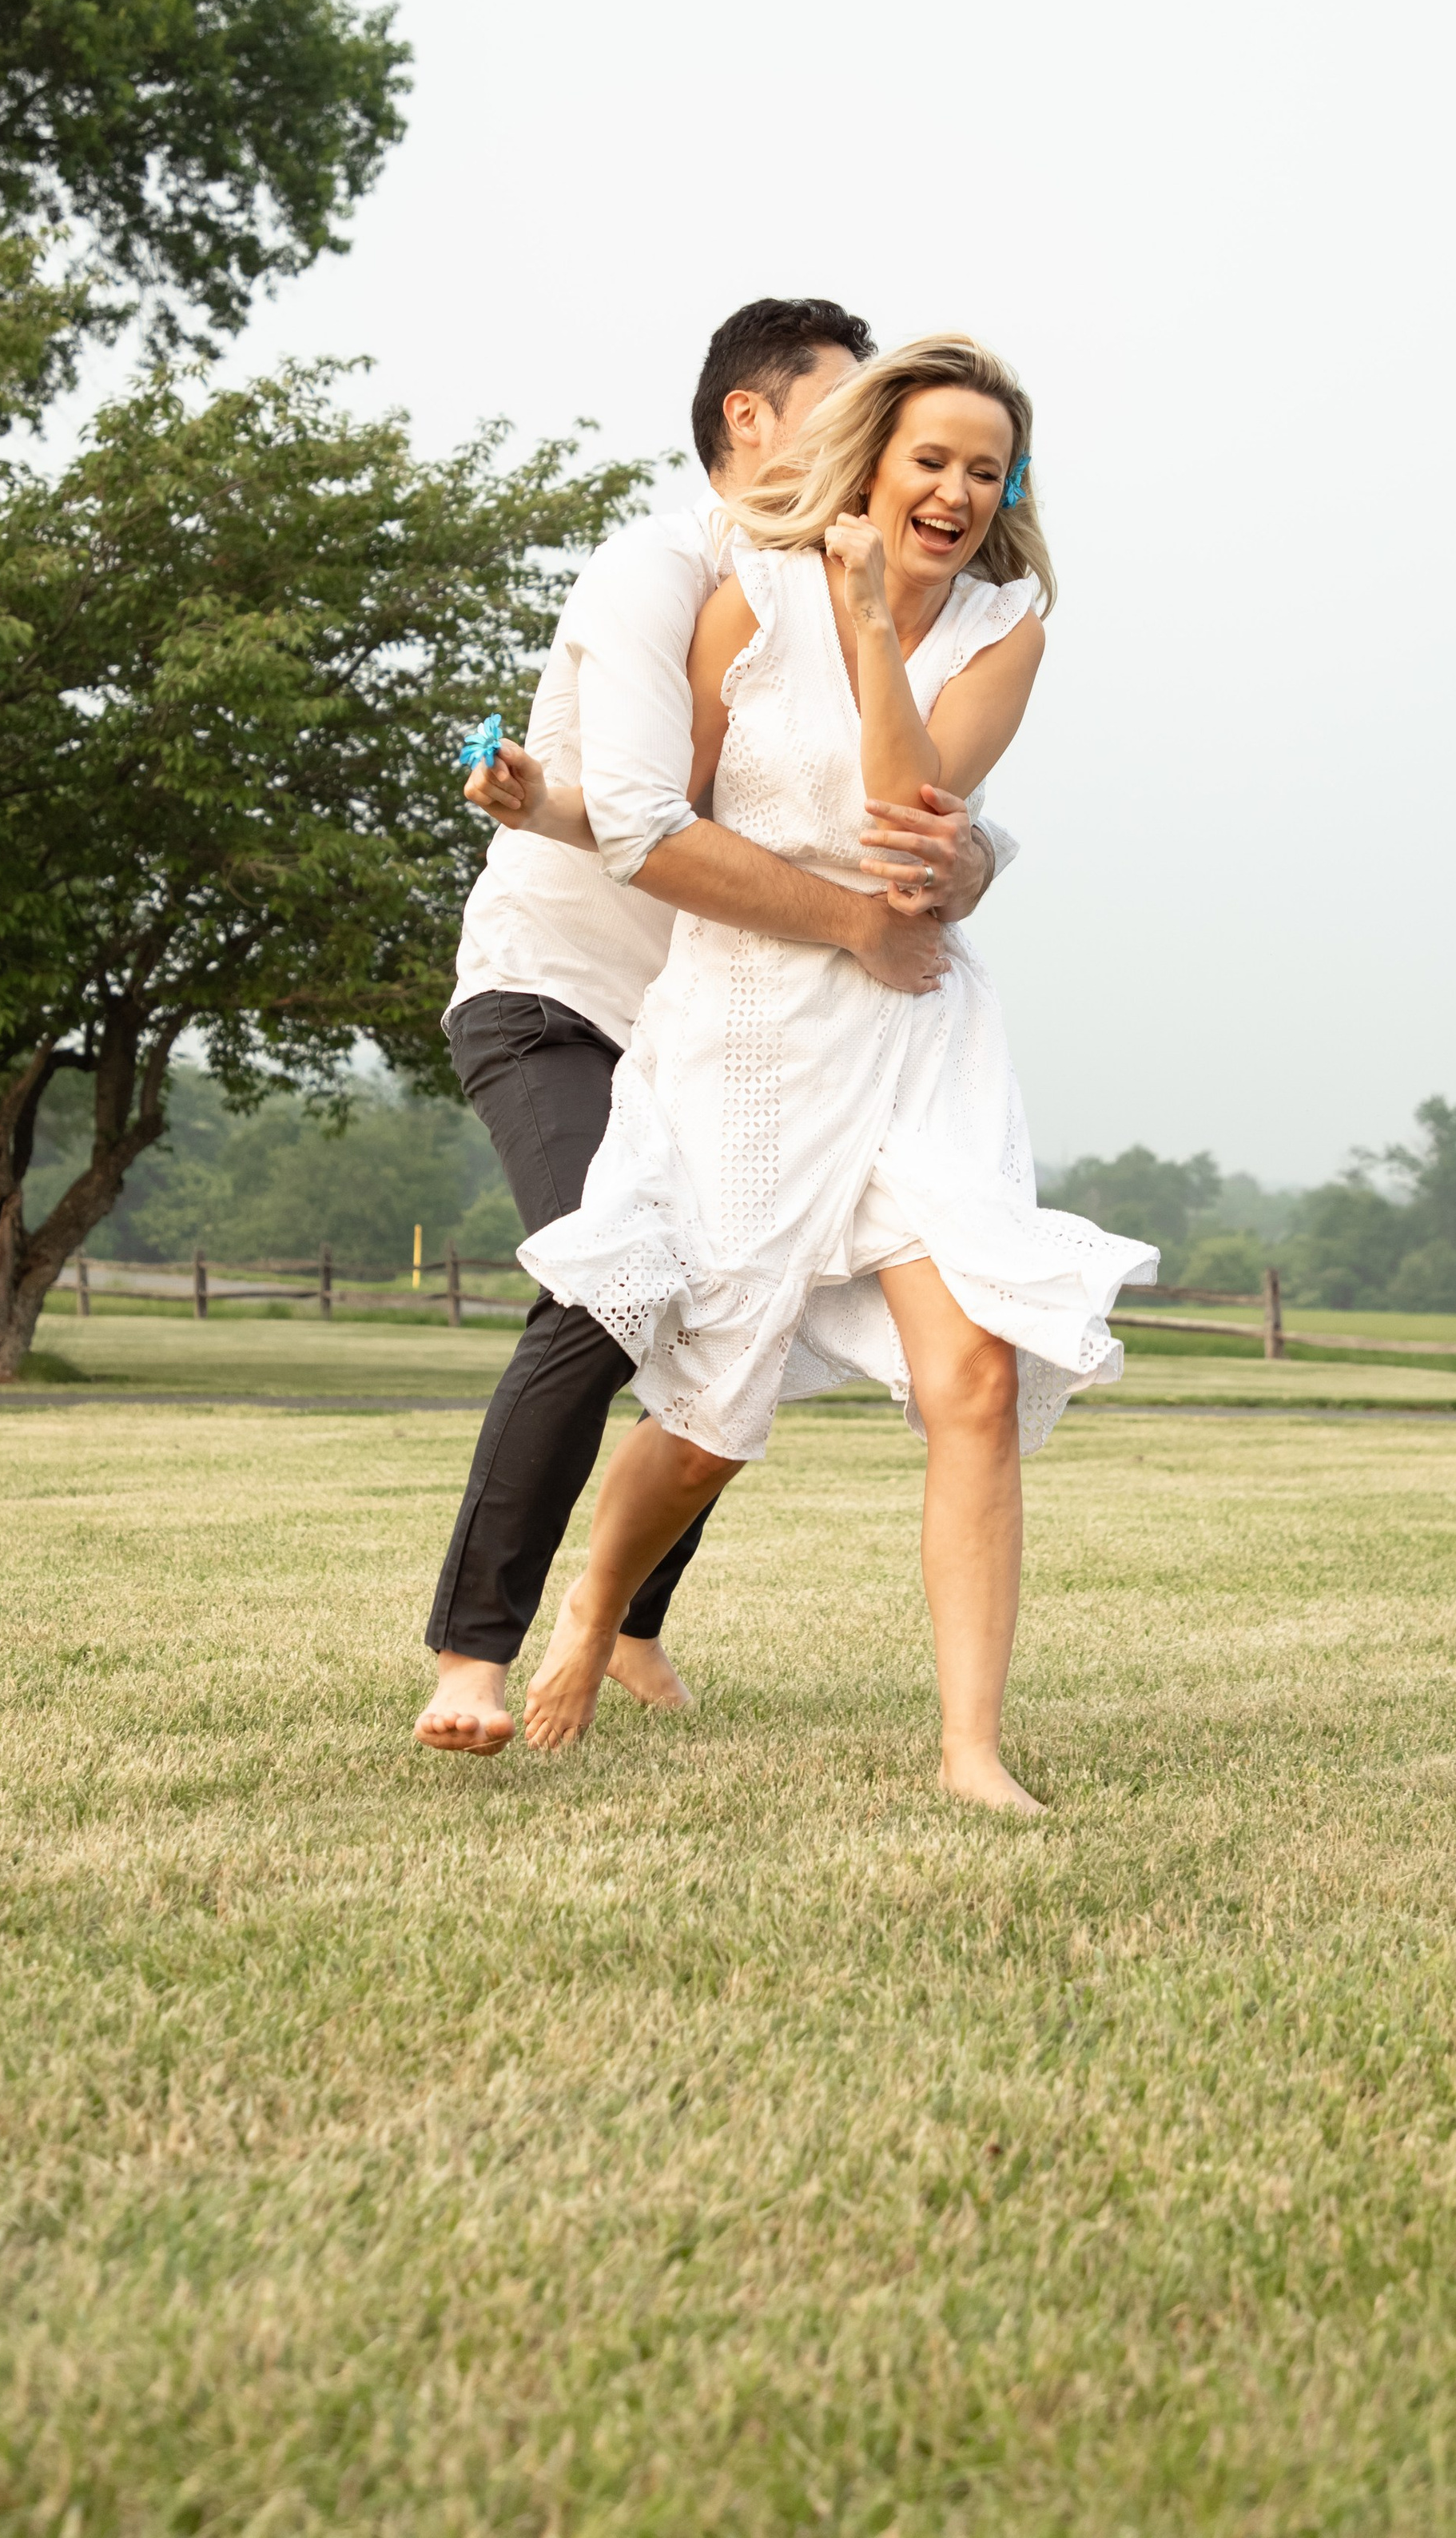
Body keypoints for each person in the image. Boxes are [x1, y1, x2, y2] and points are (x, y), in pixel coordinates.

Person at [511, 337, 1158, 1811]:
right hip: (747, 1034)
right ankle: (592, 1613)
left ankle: (971, 1751)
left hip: (917, 1039)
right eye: (932, 459)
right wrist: (528, 796)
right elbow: (653, 809)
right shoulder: (751, 595)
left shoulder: (1007, 628)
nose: (957, 490)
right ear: (871, 460)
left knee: (975, 1376)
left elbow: (906, 814)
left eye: (987, 470)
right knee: (709, 1415)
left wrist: (880, 631)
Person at [415, 301, 1016, 1756]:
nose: (897, 453)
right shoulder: (664, 571)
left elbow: (919, 799)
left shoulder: (888, 592)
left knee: (732, 1307)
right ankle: (470, 1661)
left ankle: (619, 1625)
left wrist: (980, 857)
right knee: (610, 1288)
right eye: (855, 411)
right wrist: (870, 924)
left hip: (742, 1020)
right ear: (754, 419)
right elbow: (635, 822)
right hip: (566, 994)